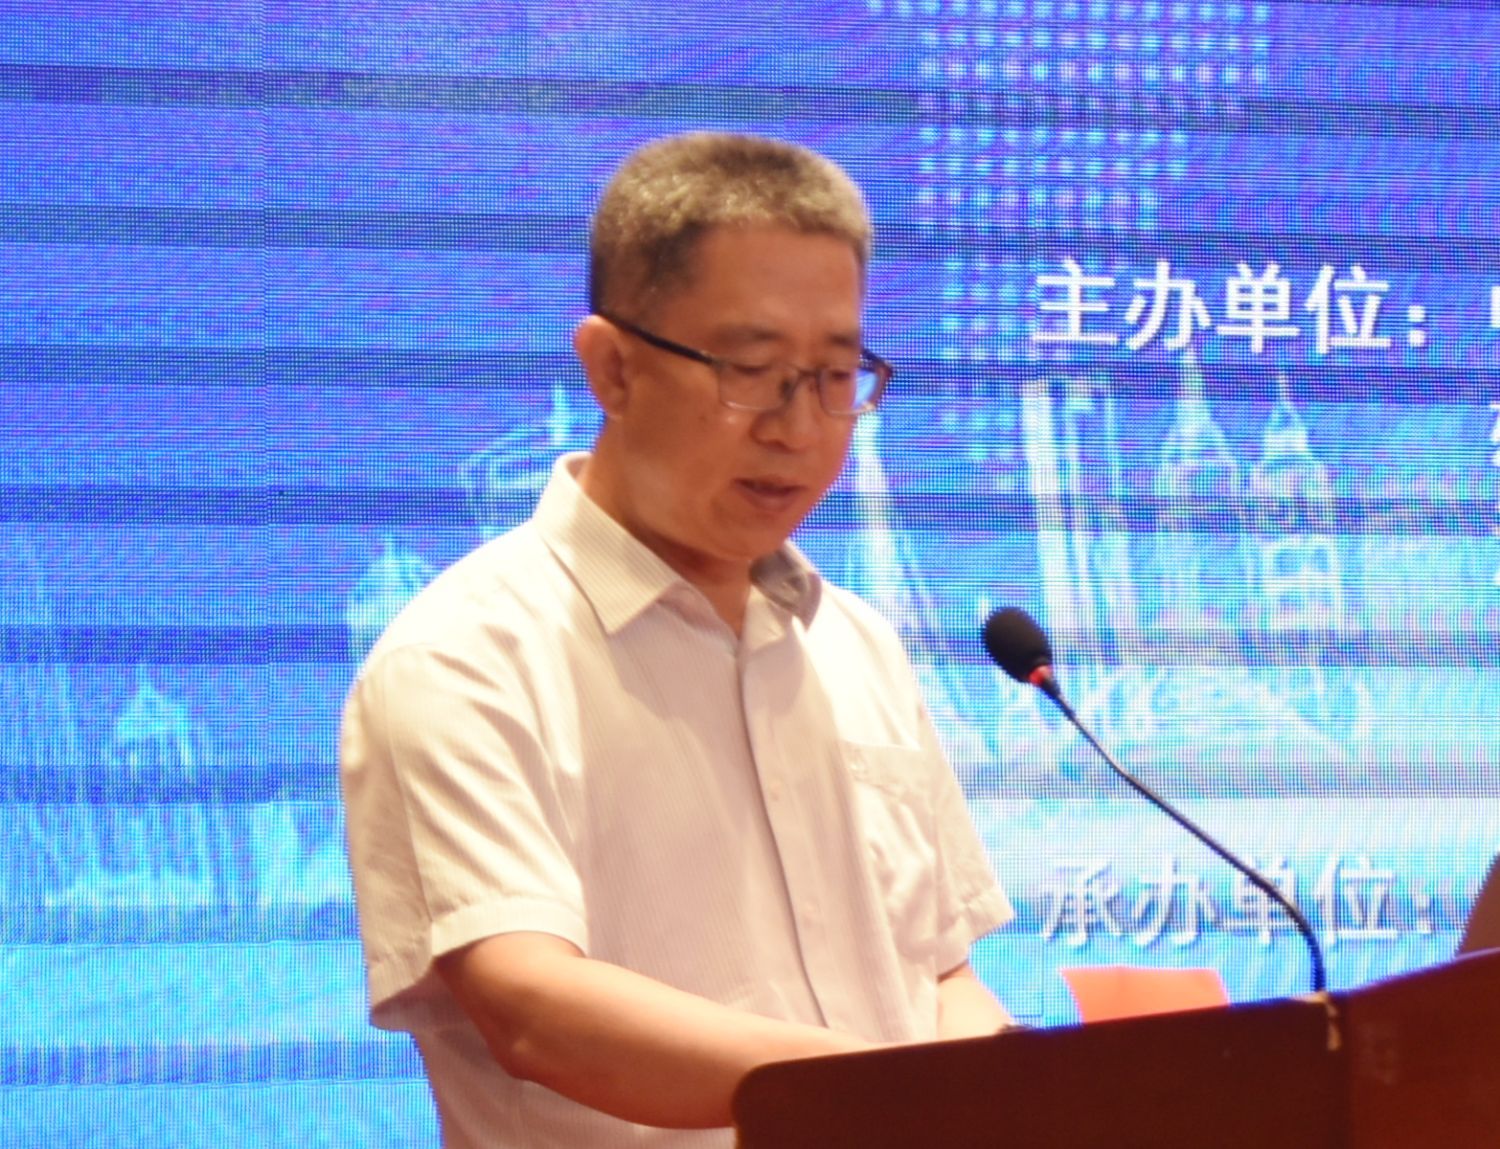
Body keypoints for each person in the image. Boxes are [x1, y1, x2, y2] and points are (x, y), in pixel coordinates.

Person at [340, 132, 1014, 1148]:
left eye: (836, 375)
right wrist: (873, 1099)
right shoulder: (465, 658)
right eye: (751, 370)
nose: (798, 427)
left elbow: (942, 972)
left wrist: (1017, 1090)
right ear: (613, 368)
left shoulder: (857, 645)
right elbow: (529, 1002)